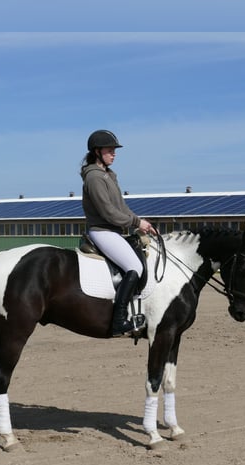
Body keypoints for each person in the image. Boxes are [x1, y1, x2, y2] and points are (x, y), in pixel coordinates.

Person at [80, 129, 157, 337]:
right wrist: (135, 222)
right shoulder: (95, 178)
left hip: (114, 231)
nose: (114, 153)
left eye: (114, 150)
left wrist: (141, 222)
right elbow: (108, 212)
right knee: (134, 266)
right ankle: (118, 319)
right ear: (97, 151)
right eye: (110, 150)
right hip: (102, 231)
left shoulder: (109, 175)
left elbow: (121, 207)